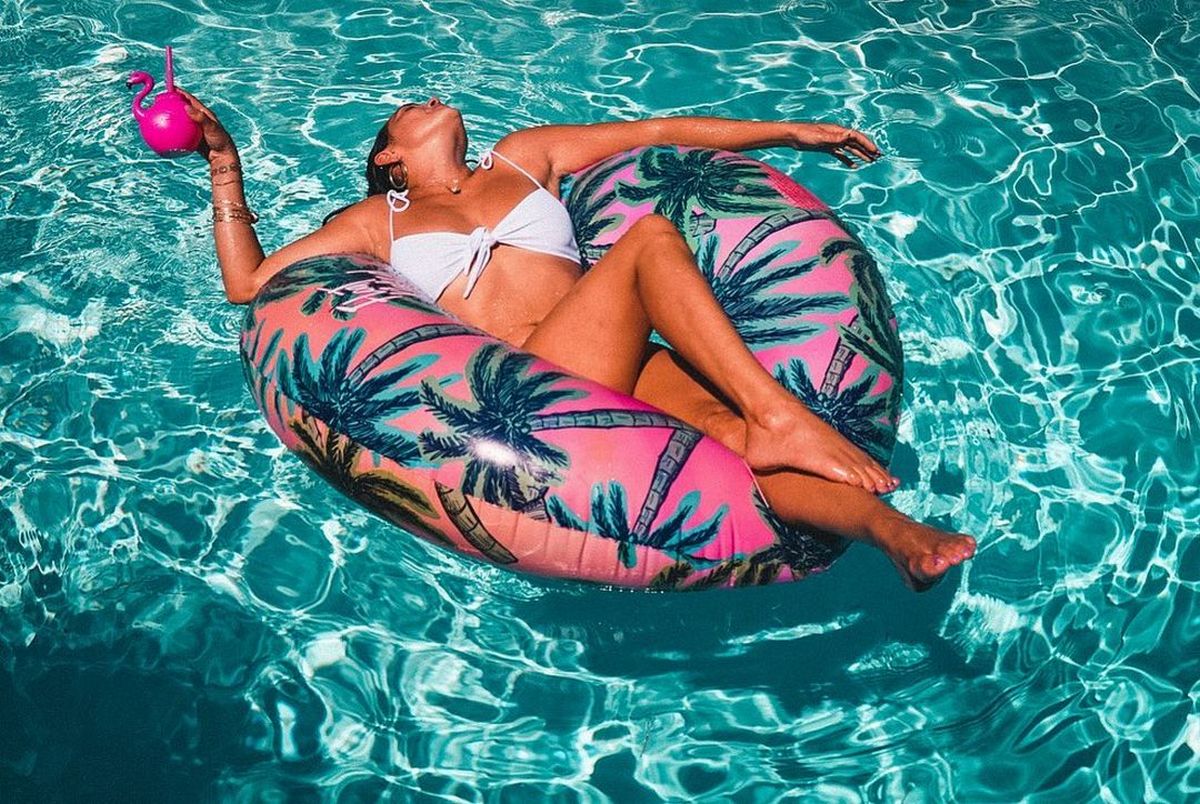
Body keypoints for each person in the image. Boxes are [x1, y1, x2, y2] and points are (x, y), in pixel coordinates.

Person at [179, 89, 976, 591]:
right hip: (528, 386)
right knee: (649, 241)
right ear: (388, 157)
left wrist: (788, 134)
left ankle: (895, 534)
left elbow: (657, 127)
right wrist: (223, 163)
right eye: (408, 110)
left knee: (731, 442)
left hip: (617, 348)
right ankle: (778, 414)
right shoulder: (374, 221)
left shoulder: (525, 157)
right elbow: (249, 285)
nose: (429, 98)